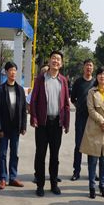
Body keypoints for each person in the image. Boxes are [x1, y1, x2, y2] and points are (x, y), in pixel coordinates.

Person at [29, 51, 70, 197]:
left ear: (61, 64)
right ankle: (40, 185)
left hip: (57, 123)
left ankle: (54, 184)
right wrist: (34, 118)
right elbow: (33, 100)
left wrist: (66, 122)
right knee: (40, 155)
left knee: (54, 156)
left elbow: (66, 103)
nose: (56, 61)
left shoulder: (63, 81)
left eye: (58, 59)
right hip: (42, 123)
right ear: (49, 60)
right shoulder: (41, 79)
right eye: (53, 58)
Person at [79, 66, 104, 199]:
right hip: (94, 128)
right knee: (93, 160)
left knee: (103, 160)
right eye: (100, 74)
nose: (102, 76)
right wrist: (102, 121)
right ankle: (92, 187)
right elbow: (90, 109)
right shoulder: (91, 92)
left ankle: (102, 185)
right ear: (97, 77)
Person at [0, 61, 27, 189]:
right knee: (3, 154)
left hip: (15, 128)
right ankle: (3, 178)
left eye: (14, 70)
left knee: (15, 153)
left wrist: (23, 126)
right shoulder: (0, 89)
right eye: (10, 70)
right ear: (6, 72)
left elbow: (23, 109)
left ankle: (13, 177)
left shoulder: (20, 90)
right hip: (4, 128)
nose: (13, 73)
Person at [69, 59, 95, 181]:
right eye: (87, 65)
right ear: (83, 67)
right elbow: (72, 98)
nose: (88, 67)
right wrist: (78, 106)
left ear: (93, 68)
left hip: (92, 119)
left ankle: (92, 172)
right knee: (78, 145)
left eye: (90, 65)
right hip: (80, 118)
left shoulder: (95, 82)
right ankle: (76, 171)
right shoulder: (78, 82)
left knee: (92, 146)